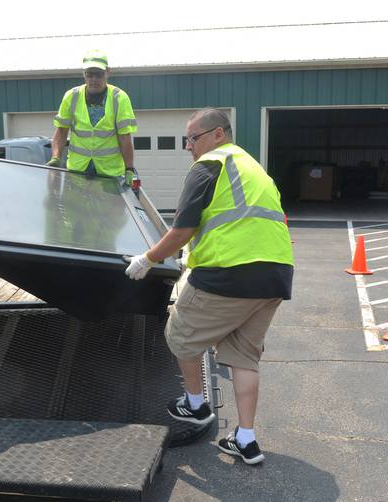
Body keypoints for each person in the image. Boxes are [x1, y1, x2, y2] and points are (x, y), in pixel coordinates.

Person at [125, 108, 294, 465]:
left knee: (180, 335)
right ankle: (246, 440)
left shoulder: (209, 166)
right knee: (244, 356)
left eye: (193, 138)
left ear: (218, 134)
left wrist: (148, 259)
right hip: (275, 275)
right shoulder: (252, 167)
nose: (188, 146)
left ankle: (196, 405)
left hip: (228, 273)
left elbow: (182, 229)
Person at [48, 50, 138, 185]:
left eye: (99, 74)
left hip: (109, 174)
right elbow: (61, 131)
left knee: (109, 207)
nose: (94, 79)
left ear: (108, 72)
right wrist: (56, 157)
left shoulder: (119, 98)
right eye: (89, 74)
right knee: (75, 207)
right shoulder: (72, 96)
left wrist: (129, 168)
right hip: (78, 171)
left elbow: (124, 137)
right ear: (84, 74)